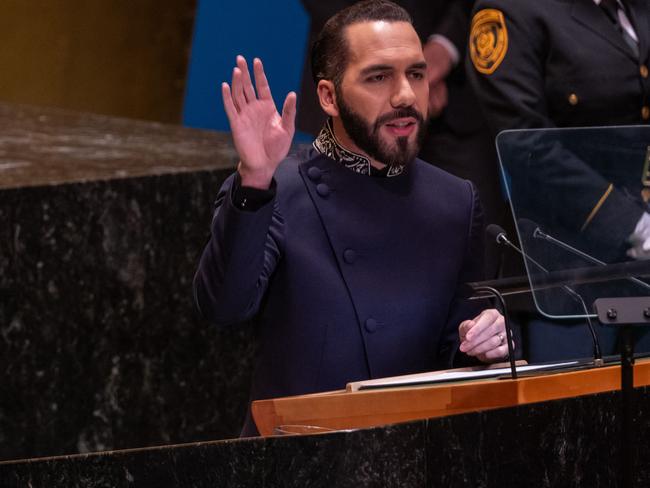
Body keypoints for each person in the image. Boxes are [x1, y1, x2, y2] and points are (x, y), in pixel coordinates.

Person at [194, 0, 509, 436]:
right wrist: (253, 178)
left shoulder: (456, 200)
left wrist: (489, 343)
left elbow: (458, 345)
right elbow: (224, 307)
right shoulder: (276, 189)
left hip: (415, 458)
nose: (404, 95)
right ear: (329, 96)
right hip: (299, 461)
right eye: (379, 77)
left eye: (415, 74)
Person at [467, 0, 650, 361]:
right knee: (574, 413)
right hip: (565, 270)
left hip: (642, 270)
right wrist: (633, 224)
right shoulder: (510, 10)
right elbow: (527, 145)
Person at [297, 1, 508, 277]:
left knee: (479, 270)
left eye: (414, 76)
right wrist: (403, 68)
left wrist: (441, 52)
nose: (406, 95)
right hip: (353, 88)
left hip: (459, 98)